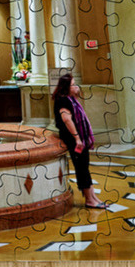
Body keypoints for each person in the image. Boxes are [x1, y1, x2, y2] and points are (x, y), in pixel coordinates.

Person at [52, 74, 105, 209]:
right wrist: (77, 138)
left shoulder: (71, 99)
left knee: (84, 167)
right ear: (66, 87)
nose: (76, 86)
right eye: (73, 84)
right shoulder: (63, 101)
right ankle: (89, 200)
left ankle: (93, 197)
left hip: (80, 139)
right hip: (74, 139)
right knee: (81, 168)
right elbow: (67, 120)